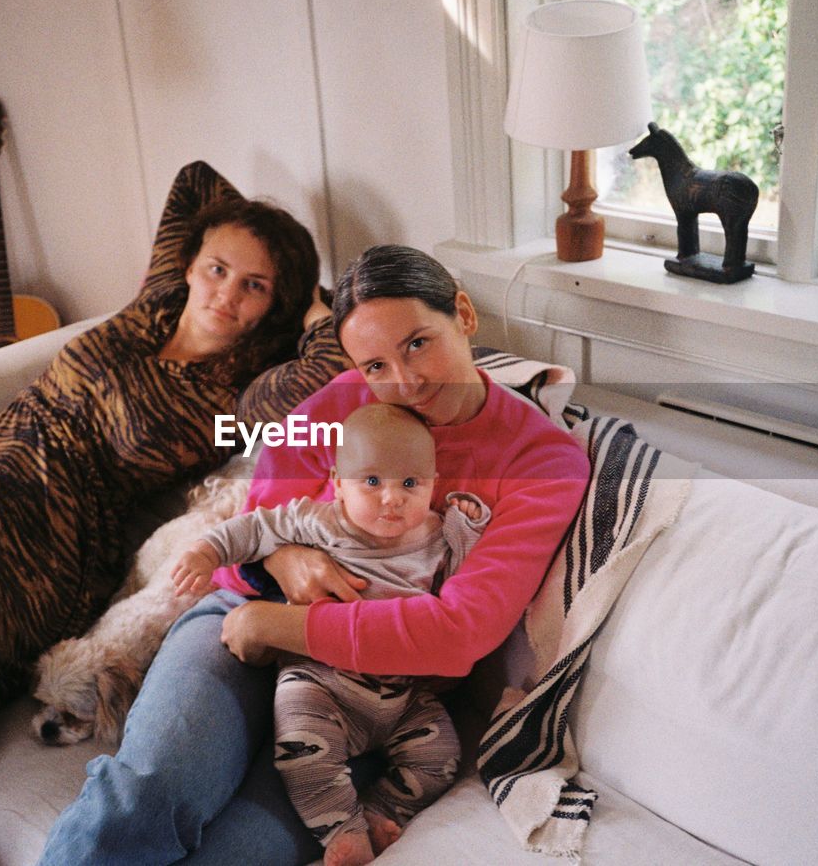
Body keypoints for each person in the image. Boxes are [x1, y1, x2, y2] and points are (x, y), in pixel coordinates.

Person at [0, 161, 347, 866]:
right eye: (216, 268)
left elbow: (339, 363)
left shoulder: (247, 390)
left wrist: (309, 300)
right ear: (188, 265)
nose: (226, 294)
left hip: (47, 539)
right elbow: (193, 182)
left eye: (255, 287)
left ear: (274, 308)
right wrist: (254, 243)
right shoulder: (152, 303)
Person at [39, 243, 591, 865]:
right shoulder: (338, 405)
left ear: (463, 314)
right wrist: (277, 563)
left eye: (418, 343)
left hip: (377, 693)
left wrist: (283, 624)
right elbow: (235, 537)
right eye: (375, 364)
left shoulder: (541, 461)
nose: (404, 382)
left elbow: (460, 633)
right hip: (236, 630)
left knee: (235, 854)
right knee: (144, 797)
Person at [172, 402, 491, 866]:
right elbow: (254, 527)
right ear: (338, 484)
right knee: (302, 749)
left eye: (410, 483)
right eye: (372, 482)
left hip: (401, 695)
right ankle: (342, 830)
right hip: (321, 682)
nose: (391, 498)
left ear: (433, 485)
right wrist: (205, 553)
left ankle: (381, 809)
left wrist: (470, 524)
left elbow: (471, 588)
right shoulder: (318, 521)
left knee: (441, 756)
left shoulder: (440, 536)